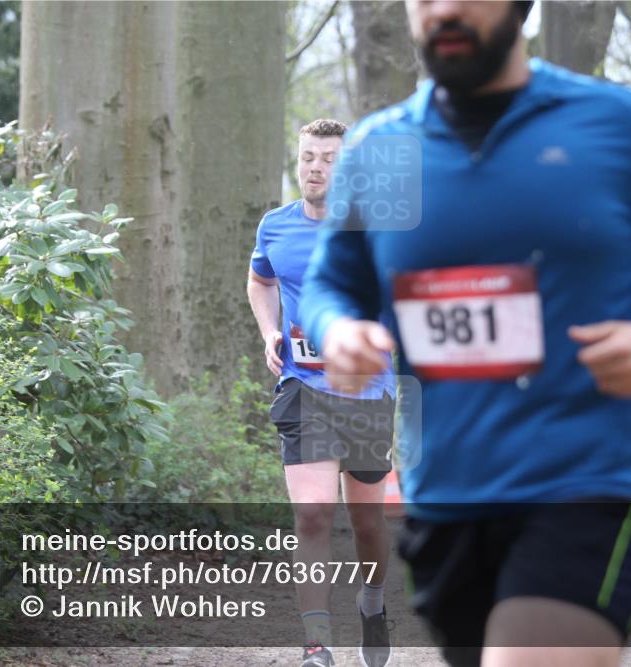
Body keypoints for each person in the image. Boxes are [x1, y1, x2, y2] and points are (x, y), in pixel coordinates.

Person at [299, 1, 631, 665]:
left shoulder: (613, 124)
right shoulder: (387, 150)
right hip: (448, 491)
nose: (444, 8)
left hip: (589, 477)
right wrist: (338, 330)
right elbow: (332, 283)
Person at [247, 118, 396, 667]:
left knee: (366, 524)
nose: (316, 167)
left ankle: (373, 604)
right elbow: (260, 280)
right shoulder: (275, 226)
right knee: (311, 515)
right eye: (309, 156)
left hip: (364, 392)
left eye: (329, 159)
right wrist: (270, 330)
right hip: (303, 388)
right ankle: (316, 646)